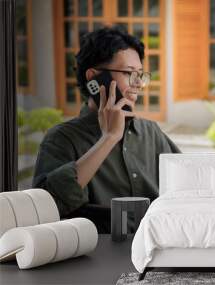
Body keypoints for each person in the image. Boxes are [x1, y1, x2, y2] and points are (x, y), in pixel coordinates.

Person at [33, 27, 180, 233]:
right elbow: (46, 207)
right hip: (97, 255)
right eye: (129, 73)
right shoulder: (62, 139)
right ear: (94, 78)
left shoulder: (151, 133)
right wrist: (108, 138)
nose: (138, 84)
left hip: (156, 248)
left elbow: (188, 186)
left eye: (140, 75)